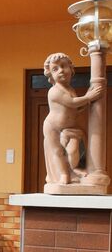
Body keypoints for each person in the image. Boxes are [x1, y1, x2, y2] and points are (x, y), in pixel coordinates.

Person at [43, 53, 104, 185]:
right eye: (55, 69)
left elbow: (75, 108)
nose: (60, 70)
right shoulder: (54, 91)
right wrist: (88, 97)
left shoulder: (70, 89)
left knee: (73, 150)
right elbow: (71, 103)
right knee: (58, 152)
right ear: (51, 75)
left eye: (63, 66)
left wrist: (87, 101)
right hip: (52, 128)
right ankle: (64, 175)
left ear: (71, 69)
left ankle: (74, 169)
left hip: (68, 129)